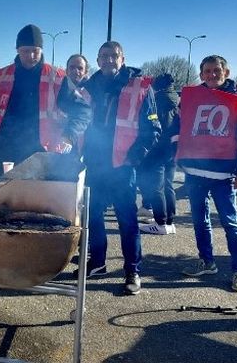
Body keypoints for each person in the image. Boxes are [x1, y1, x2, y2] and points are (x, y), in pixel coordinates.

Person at [81, 41, 160, 295]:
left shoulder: (139, 87)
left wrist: (135, 157)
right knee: (92, 218)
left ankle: (132, 270)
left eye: (114, 56)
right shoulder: (88, 87)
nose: (108, 60)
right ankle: (98, 262)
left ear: (122, 59)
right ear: (97, 59)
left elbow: (153, 129)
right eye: (103, 56)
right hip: (94, 164)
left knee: (127, 221)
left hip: (123, 167)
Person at [173, 55, 237, 292]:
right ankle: (207, 261)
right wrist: (179, 155)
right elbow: (178, 126)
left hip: (224, 173)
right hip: (195, 170)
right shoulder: (191, 98)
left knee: (230, 222)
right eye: (207, 71)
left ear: (226, 72)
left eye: (216, 70)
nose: (212, 75)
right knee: (199, 220)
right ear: (201, 74)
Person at [0, 24, 91, 178]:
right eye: (26, 51)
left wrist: (69, 135)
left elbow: (83, 111)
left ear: (41, 50)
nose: (31, 56)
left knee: (37, 199)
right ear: (17, 49)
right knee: (5, 199)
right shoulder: (1, 76)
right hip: (5, 152)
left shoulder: (56, 77)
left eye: (35, 51)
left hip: (43, 153)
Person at [138, 73, 179, 234]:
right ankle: (169, 221)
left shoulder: (159, 99)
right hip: (172, 148)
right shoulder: (175, 98)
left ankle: (160, 223)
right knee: (168, 185)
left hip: (158, 148)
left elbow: (153, 123)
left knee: (155, 186)